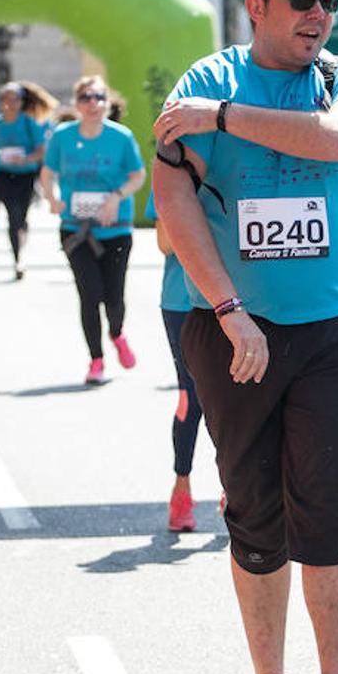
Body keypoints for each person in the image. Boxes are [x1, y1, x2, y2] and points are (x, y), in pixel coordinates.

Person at [152, 0, 338, 674]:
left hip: (332, 330)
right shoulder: (203, 78)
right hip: (228, 329)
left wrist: (222, 122)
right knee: (255, 512)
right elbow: (171, 200)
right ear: (255, 7)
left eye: (326, 1)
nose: (319, 14)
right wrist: (228, 309)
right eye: (300, 1)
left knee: (329, 507)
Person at [40, 75, 145, 385]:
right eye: (86, 97)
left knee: (113, 296)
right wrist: (52, 198)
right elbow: (48, 172)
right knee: (89, 294)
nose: (92, 103)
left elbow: (137, 175)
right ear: (77, 104)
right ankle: (96, 360)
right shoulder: (62, 136)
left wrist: (116, 197)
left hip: (115, 230)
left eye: (98, 97)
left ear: (107, 103)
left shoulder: (121, 137)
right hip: (76, 230)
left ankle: (117, 333)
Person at [150, 192, 206, 532]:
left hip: (243, 299)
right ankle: (181, 487)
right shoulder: (169, 171)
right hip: (182, 301)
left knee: (236, 400)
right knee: (191, 397)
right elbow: (165, 243)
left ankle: (236, 488)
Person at [0, 81, 51, 279]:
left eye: (15, 99)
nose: (11, 103)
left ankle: (22, 238)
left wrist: (25, 159)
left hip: (26, 175)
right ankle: (17, 257)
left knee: (22, 216)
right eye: (7, 99)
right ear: (1, 101)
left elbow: (41, 151)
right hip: (5, 175)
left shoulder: (29, 123)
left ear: (21, 102)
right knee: (13, 215)